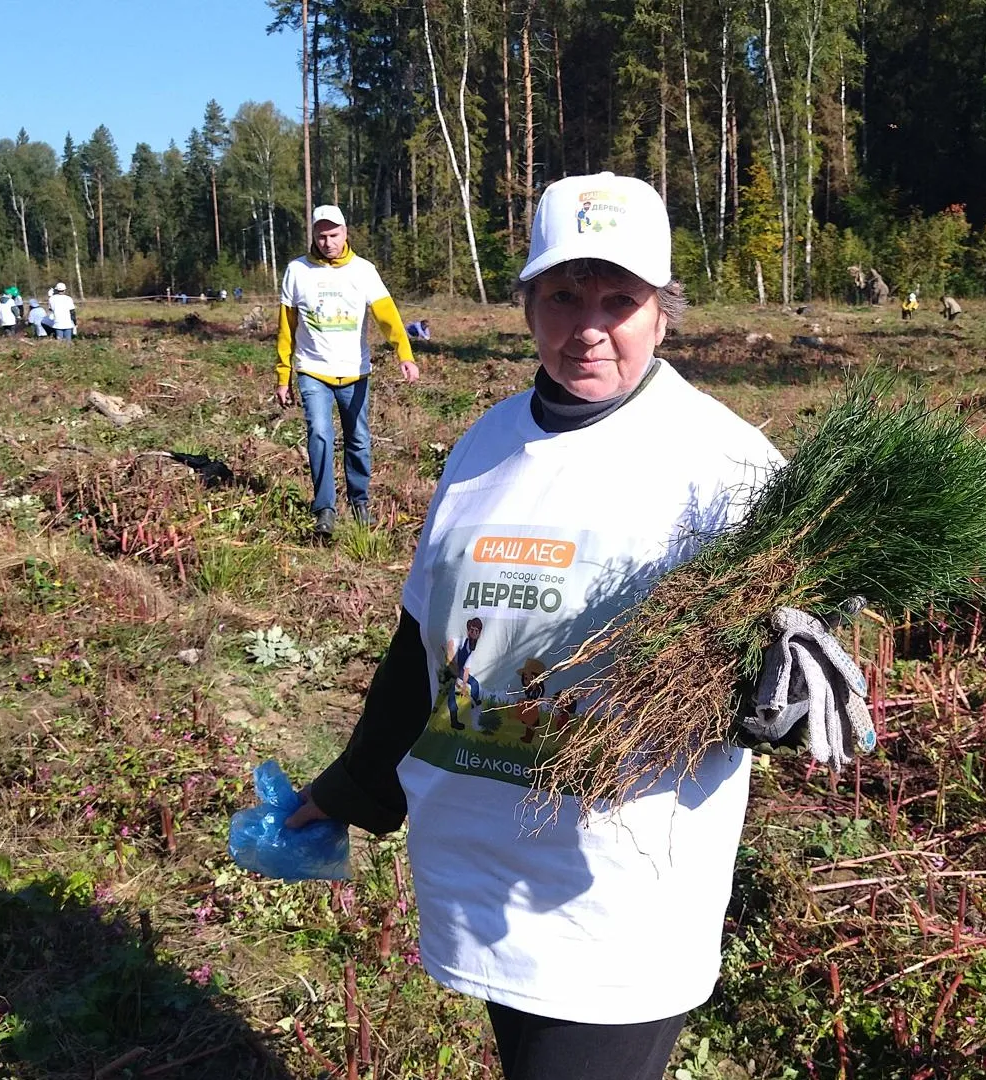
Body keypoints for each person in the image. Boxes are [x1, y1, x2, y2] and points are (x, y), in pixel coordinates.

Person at [283, 172, 784, 1080]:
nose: (587, 325)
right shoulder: (486, 444)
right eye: (561, 295)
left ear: (662, 312)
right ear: (527, 306)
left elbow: (785, 651)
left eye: (618, 299)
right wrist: (345, 792)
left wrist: (776, 688)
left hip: (620, 896)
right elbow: (419, 657)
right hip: (482, 871)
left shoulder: (729, 465)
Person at [274, 203, 418, 538]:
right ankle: (325, 509)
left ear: (345, 233)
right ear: (313, 235)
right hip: (312, 370)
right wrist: (283, 376)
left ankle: (359, 502)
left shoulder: (364, 271)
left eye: (333, 235)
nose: (327, 242)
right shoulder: (296, 272)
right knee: (320, 434)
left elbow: (388, 317)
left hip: (355, 372)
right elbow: (286, 330)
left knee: (359, 439)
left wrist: (404, 355)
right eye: (321, 236)